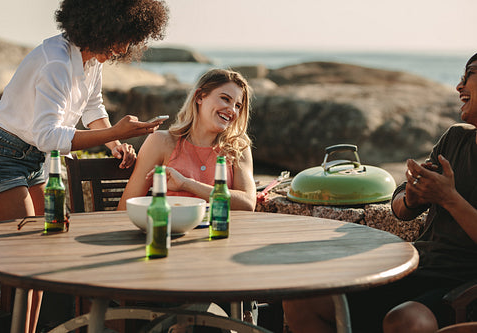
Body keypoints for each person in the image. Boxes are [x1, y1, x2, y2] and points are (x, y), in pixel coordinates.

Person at [0, 0, 168, 331]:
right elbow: (48, 134)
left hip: (35, 157)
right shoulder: (55, 61)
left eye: (129, 39)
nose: (124, 47)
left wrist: (114, 144)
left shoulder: (90, 59)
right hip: (1, 156)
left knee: (41, 259)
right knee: (27, 263)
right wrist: (116, 131)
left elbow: (92, 107)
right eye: (122, 36)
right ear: (100, 24)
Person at [283, 53, 477, 333]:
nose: (459, 87)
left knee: (406, 321)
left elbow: (449, 199)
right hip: (415, 268)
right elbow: (399, 209)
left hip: (463, 286)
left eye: (468, 75)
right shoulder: (455, 139)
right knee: (303, 301)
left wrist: (448, 197)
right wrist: (413, 196)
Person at [118, 68, 256, 211]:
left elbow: (247, 203)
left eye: (238, 106)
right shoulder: (161, 142)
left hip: (219, 231)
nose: (232, 110)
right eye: (225, 99)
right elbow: (126, 208)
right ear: (199, 97)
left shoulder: (237, 146)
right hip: (171, 230)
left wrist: (186, 184)